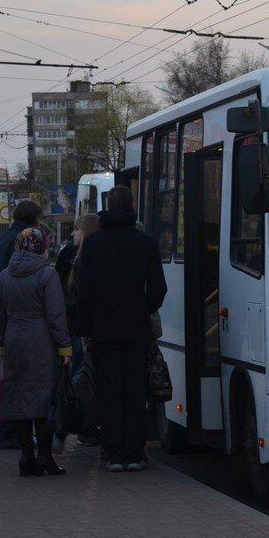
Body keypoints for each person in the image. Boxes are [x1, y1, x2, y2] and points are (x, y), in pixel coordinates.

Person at [79, 185, 167, 472]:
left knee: (109, 391)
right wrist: (143, 308)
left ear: (109, 205)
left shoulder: (94, 244)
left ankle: (114, 453)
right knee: (135, 391)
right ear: (131, 206)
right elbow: (158, 288)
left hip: (103, 329)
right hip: (136, 328)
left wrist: (87, 327)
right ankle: (134, 452)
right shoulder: (146, 242)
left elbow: (85, 292)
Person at [0, 226, 72, 476]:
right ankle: (45, 457)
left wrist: (2, 343)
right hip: (42, 340)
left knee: (19, 396)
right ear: (40, 247)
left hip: (15, 338)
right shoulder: (46, 275)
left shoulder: (5, 275)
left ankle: (25, 457)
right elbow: (56, 314)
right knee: (45, 397)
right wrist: (64, 347)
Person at [0, 199, 44, 450]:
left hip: (8, 318)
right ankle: (13, 434)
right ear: (35, 219)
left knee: (13, 380)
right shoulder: (23, 241)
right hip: (25, 318)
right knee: (26, 382)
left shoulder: (3, 238)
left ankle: (8, 432)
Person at [52, 213, 101, 452]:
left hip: (81, 328)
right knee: (78, 381)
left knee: (82, 381)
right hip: (75, 329)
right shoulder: (68, 255)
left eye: (77, 230)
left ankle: (79, 429)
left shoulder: (87, 256)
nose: (72, 234)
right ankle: (68, 429)